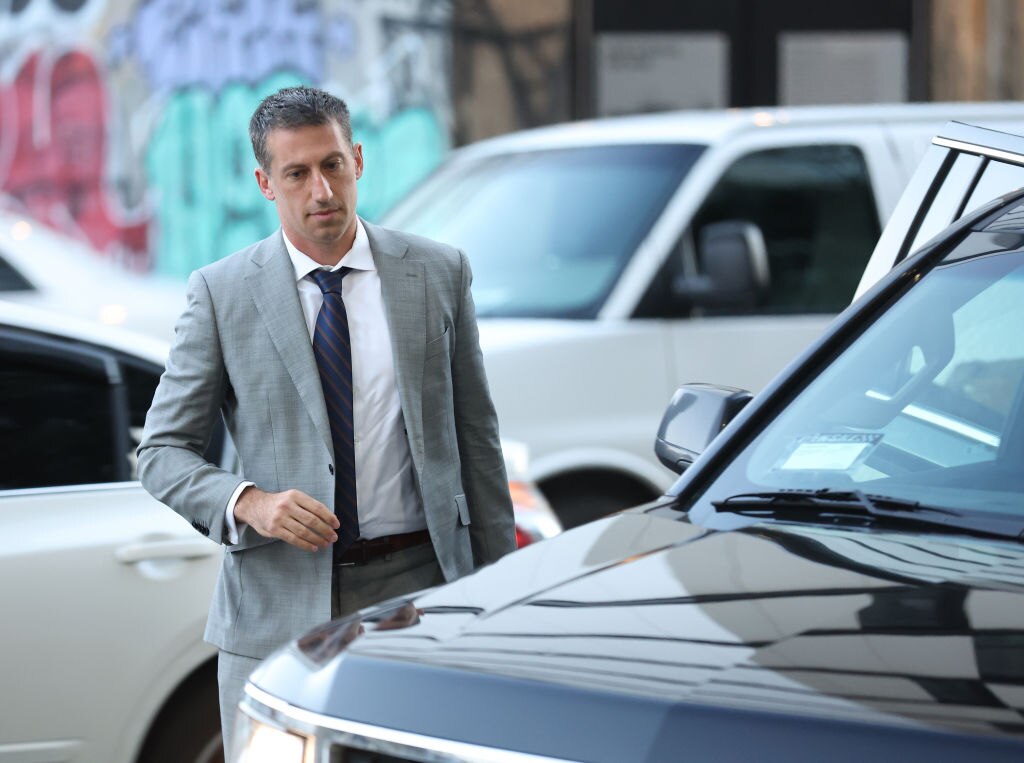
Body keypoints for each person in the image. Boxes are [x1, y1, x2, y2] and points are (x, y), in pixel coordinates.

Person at [137, 85, 516, 757]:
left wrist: (500, 592)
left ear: (358, 159)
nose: (321, 190)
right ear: (264, 182)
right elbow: (162, 451)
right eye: (297, 173)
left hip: (418, 588)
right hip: (278, 601)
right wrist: (248, 502)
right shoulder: (221, 294)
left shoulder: (436, 272)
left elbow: (476, 442)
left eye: (333, 164)